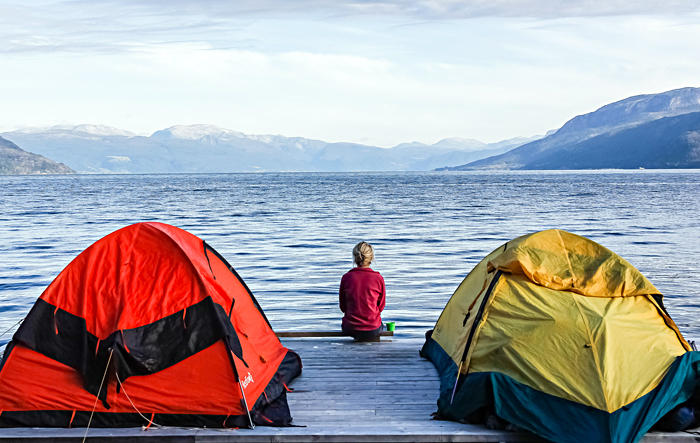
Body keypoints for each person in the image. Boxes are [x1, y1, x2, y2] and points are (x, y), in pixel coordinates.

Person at [339, 241, 386, 341]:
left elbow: (343, 307)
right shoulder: (378, 278)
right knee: (379, 326)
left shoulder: (346, 278)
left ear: (355, 258)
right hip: (373, 328)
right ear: (371, 258)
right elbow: (380, 307)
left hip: (350, 328)